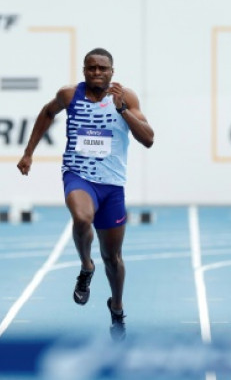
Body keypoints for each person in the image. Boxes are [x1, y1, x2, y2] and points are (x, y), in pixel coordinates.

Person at [17, 48, 154, 341]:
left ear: (112, 72)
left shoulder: (125, 98)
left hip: (112, 185)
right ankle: (85, 266)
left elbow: (148, 139)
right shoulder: (70, 95)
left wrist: (122, 110)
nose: (96, 73)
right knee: (81, 217)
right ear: (83, 70)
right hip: (78, 175)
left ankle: (116, 307)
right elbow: (47, 113)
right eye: (91, 68)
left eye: (102, 68)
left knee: (113, 257)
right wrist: (29, 153)